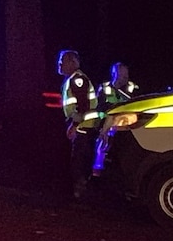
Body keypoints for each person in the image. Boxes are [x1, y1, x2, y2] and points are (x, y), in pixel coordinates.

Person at [57, 49, 101, 200]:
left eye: (63, 60)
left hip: (84, 127)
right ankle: (80, 191)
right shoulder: (72, 79)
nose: (59, 64)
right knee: (79, 160)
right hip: (82, 126)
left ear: (73, 63)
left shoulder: (78, 79)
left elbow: (83, 105)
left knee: (79, 162)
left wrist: (75, 125)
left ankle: (81, 193)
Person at [93, 62, 139, 176]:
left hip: (127, 123)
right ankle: (97, 169)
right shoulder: (105, 88)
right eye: (122, 75)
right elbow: (100, 106)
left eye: (126, 75)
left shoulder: (132, 88)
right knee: (103, 141)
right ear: (114, 74)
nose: (125, 78)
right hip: (108, 122)